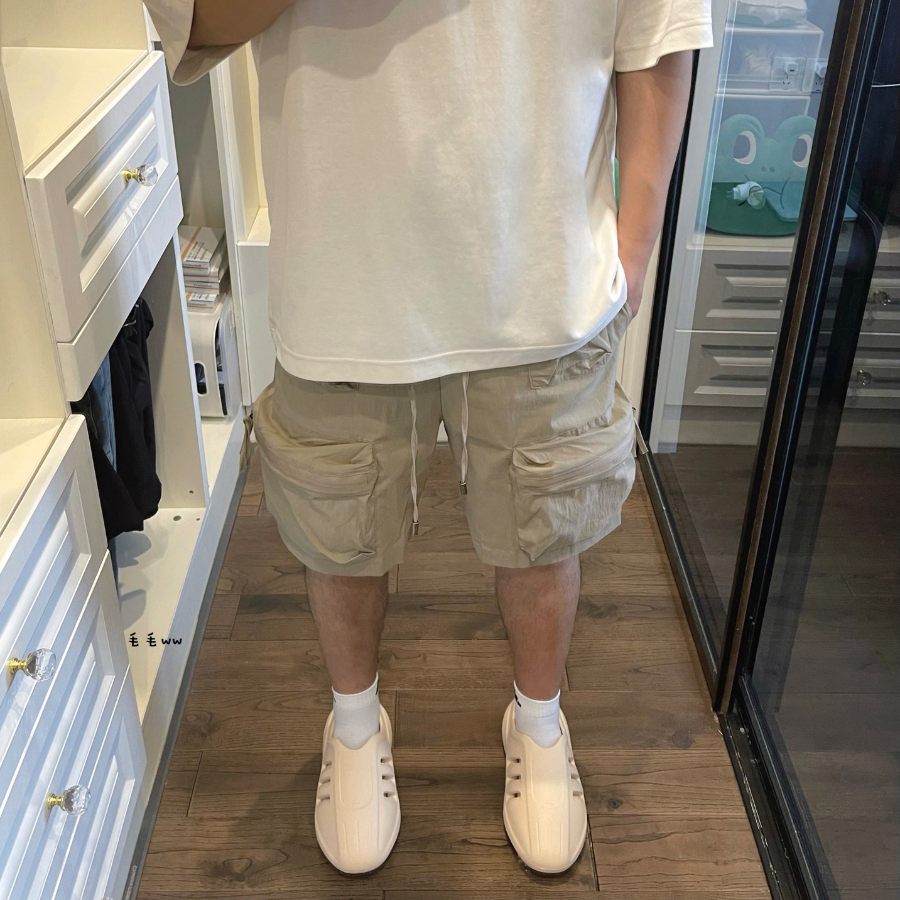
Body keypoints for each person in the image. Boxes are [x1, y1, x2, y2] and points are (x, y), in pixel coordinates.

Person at [148, 0, 712, 876]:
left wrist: (634, 249)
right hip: (344, 263)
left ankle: (539, 722)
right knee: (341, 533)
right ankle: (354, 725)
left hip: (541, 265)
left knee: (542, 529)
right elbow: (194, 18)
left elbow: (661, 29)